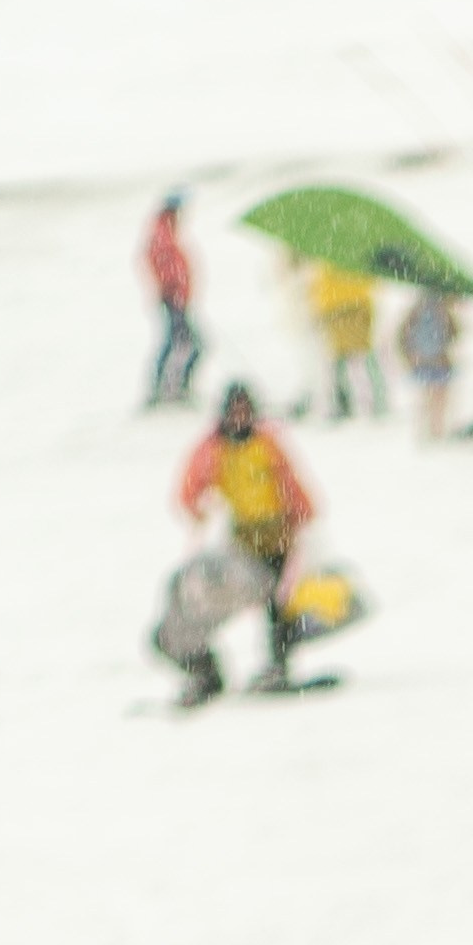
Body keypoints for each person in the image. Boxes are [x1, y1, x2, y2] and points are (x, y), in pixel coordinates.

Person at [176, 383, 316, 693]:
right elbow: (190, 486)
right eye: (234, 412)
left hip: (278, 533)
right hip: (244, 537)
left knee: (281, 604)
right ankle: (207, 667)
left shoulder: (267, 443)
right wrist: (197, 508)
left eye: (245, 411)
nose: (240, 418)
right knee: (243, 595)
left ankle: (279, 664)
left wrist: (303, 513)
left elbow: (289, 479)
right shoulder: (214, 448)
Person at [142, 193, 201, 408]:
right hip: (173, 300)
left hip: (176, 299)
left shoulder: (165, 231)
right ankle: (170, 389)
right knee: (191, 344)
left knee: (179, 343)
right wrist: (173, 290)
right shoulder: (162, 233)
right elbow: (163, 266)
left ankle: (167, 389)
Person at [307, 263, 387, 419]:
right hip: (348, 305)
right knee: (351, 360)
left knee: (345, 360)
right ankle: (364, 402)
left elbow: (317, 286)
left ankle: (356, 403)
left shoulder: (327, 258)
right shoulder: (345, 257)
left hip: (339, 306)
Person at [398, 287, 460, 442]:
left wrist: (410, 356)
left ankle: (430, 431)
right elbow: (454, 334)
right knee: (437, 399)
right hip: (437, 362)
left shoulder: (414, 313)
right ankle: (435, 430)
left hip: (428, 362)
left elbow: (403, 337)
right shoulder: (441, 312)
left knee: (429, 398)